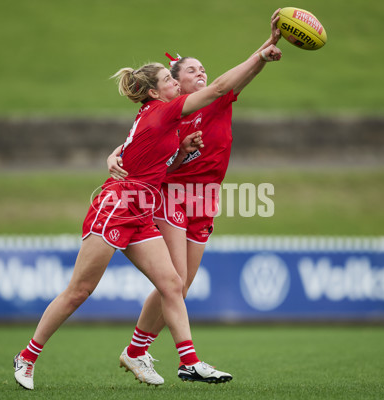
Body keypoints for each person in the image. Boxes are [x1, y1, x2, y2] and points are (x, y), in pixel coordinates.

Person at [12, 43, 282, 390]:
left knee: (172, 284)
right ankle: (28, 356)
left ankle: (189, 362)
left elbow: (148, 153)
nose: (176, 82)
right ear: (155, 92)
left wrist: (175, 152)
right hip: (118, 206)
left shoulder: (165, 119)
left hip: (142, 209)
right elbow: (216, 88)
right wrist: (261, 53)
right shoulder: (163, 111)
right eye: (170, 79)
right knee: (80, 290)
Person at [107, 9, 283, 386]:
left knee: (179, 286)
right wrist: (113, 154)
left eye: (203, 69)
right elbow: (132, 145)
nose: (201, 73)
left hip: (205, 198)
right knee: (175, 280)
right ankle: (180, 359)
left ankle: (136, 351)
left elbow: (233, 80)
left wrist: (264, 54)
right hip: (172, 196)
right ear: (174, 81)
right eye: (191, 70)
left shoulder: (215, 101)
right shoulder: (167, 113)